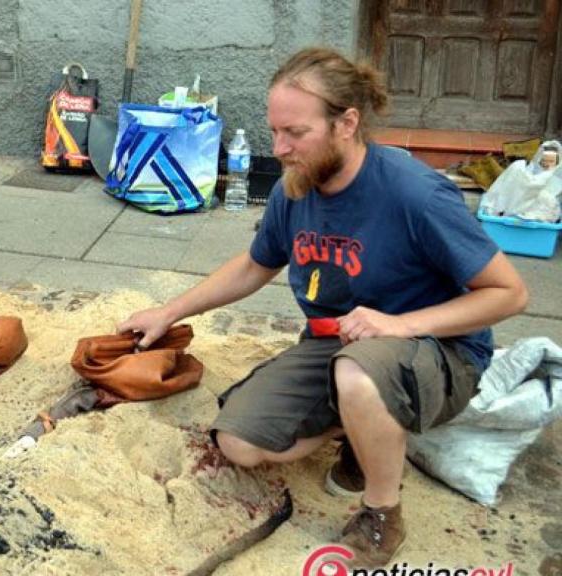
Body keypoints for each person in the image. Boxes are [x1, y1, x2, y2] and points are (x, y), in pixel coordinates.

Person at [118, 47, 528, 568]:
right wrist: (169, 312)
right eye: (274, 131)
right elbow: (255, 265)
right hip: (339, 344)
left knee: (359, 374)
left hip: (439, 351)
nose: (279, 148)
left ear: (346, 124)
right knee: (239, 442)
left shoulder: (415, 194)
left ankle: (382, 513)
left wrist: (399, 325)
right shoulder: (295, 188)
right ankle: (363, 428)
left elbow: (509, 293)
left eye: (295, 133)